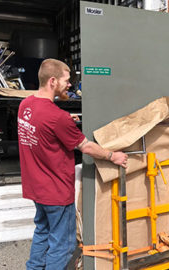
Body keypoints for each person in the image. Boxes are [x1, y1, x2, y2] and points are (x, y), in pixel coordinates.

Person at [17, 58, 128, 269]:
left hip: (35, 187)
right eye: (66, 80)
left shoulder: (26, 105)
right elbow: (86, 147)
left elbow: (43, 127)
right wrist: (113, 156)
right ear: (52, 81)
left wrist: (68, 120)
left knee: (42, 230)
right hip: (55, 192)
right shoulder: (57, 118)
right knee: (63, 245)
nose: (70, 84)